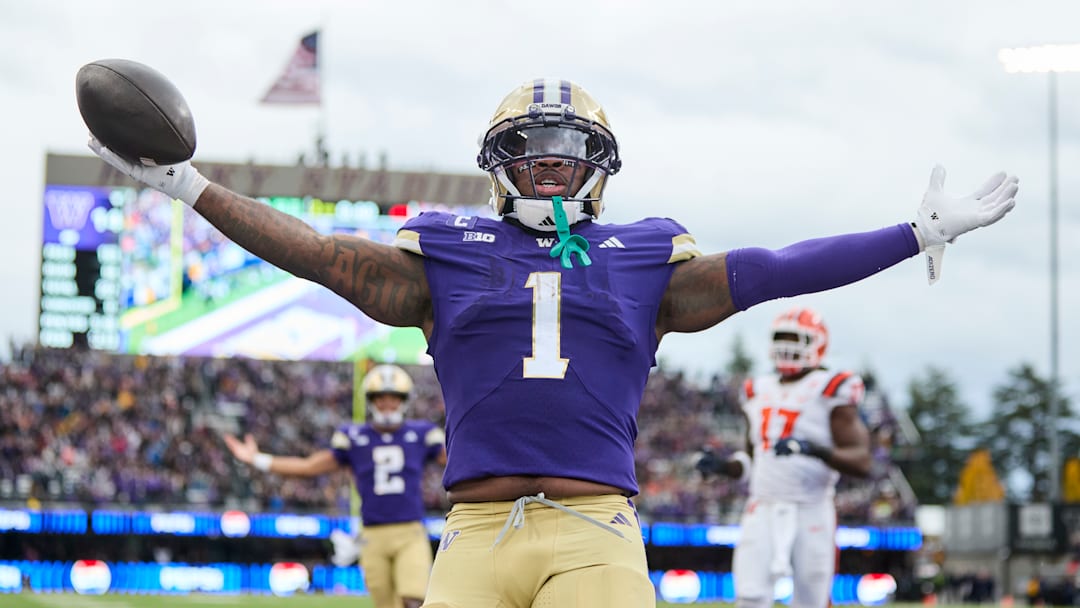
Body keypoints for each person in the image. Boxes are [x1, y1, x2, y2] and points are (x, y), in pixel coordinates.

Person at [89, 77, 1018, 608]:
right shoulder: (443, 251)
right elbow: (321, 255)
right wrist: (190, 187)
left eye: (566, 151)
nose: (548, 165)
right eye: (531, 149)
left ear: (596, 166)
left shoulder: (648, 257)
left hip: (593, 529)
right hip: (474, 532)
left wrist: (913, 234)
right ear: (500, 163)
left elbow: (776, 268)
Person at [224, 364, 446, 608]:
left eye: (393, 398)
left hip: (410, 532)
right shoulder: (355, 437)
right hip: (372, 534)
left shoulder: (421, 433)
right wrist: (257, 459)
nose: (387, 404)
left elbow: (455, 461)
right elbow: (308, 466)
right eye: (380, 398)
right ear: (371, 401)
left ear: (404, 400)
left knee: (413, 600)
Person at [696, 307, 872, 608]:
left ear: (818, 343)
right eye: (782, 337)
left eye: (795, 338)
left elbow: (862, 461)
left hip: (811, 506)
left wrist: (811, 449)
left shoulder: (831, 387)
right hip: (762, 505)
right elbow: (753, 459)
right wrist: (724, 466)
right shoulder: (757, 389)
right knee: (749, 595)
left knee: (811, 599)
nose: (787, 346)